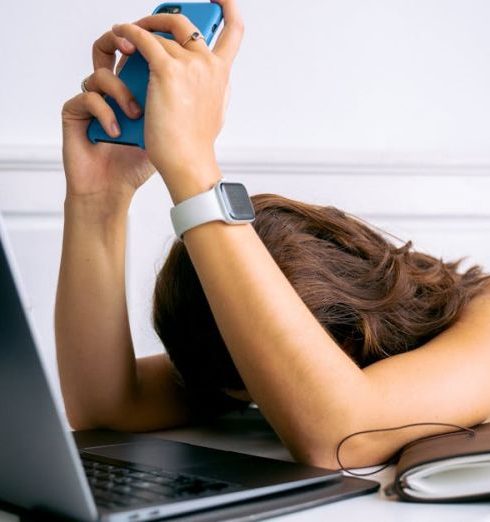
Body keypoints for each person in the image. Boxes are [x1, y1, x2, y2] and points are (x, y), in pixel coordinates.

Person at [56, 0, 490, 472]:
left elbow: (345, 436)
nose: (259, 392)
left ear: (356, 326)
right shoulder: (236, 359)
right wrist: (98, 201)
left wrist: (192, 166)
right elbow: (109, 408)